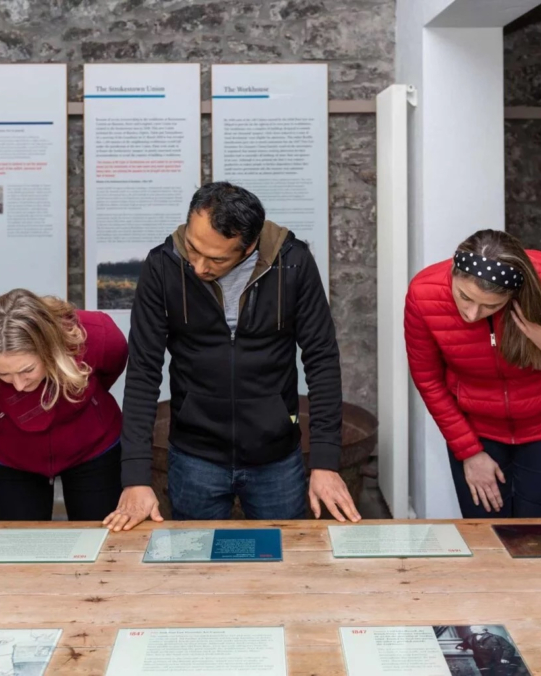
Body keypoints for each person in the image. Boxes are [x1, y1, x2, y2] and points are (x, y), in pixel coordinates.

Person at [104, 181, 360, 531]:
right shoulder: (162, 266)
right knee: (197, 572)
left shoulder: (293, 263)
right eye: (193, 248)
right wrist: (135, 474)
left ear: (249, 246)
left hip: (276, 458)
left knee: (282, 568)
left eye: (216, 259)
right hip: (194, 456)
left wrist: (326, 462)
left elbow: (322, 361)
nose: (197, 266)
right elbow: (143, 371)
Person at [405, 229, 541, 518]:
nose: (471, 313)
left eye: (491, 306)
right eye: (464, 296)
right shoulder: (424, 294)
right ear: (453, 274)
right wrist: (468, 451)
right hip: (476, 433)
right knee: (487, 538)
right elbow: (428, 381)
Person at [0, 289, 128, 520]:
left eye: (27, 370)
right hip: (12, 455)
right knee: (16, 545)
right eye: (4, 375)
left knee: (103, 536)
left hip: (93, 446)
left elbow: (111, 370)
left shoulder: (99, 334)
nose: (18, 385)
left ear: (50, 348)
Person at [456, 626, 521, 675]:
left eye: (474, 628)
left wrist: (505, 658)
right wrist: (461, 646)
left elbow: (509, 647)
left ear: (483, 629)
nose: (471, 630)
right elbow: (465, 643)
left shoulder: (496, 637)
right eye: (471, 629)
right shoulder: (470, 637)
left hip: (496, 662)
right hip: (479, 662)